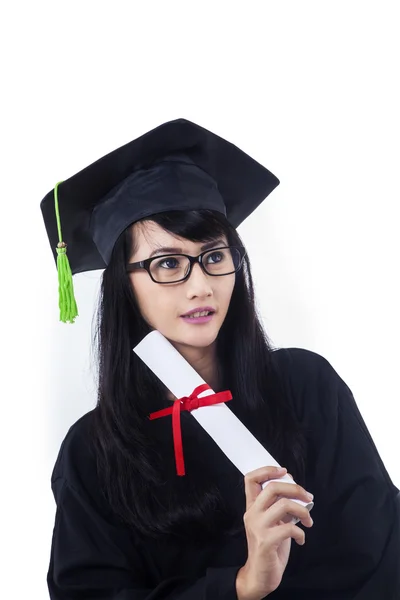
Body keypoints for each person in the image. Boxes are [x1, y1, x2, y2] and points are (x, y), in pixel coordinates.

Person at [41, 118, 400, 600]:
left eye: (214, 255)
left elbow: (380, 551)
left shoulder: (306, 387)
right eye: (167, 263)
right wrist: (242, 585)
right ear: (123, 285)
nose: (200, 285)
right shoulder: (92, 452)